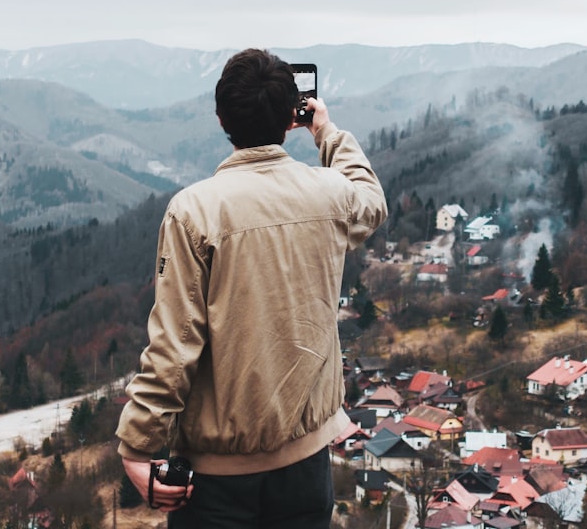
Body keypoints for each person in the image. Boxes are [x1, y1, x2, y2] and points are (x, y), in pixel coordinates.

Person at [116, 48, 388, 528]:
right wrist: (323, 129)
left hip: (216, 480)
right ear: (289, 119)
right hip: (306, 468)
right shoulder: (328, 193)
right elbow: (370, 200)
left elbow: (175, 343)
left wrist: (138, 445)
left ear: (221, 117)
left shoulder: (193, 211)